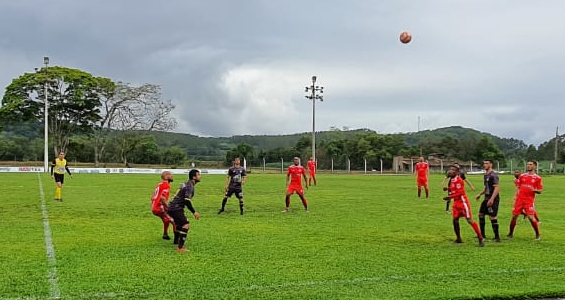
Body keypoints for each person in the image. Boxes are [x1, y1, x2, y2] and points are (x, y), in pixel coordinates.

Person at [443, 165, 485, 247]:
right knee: (455, 220)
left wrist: (449, 197)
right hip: (456, 203)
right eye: (450, 169)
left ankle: (480, 238)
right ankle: (458, 239)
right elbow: (454, 188)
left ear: (457, 172)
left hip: (463, 203)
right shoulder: (452, 180)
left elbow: (460, 193)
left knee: (469, 220)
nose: (450, 171)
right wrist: (448, 189)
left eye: (453, 170)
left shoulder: (459, 180)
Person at [167, 169, 202, 252]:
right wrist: (194, 212)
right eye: (199, 175)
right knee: (186, 225)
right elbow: (187, 201)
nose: (200, 176)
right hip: (176, 207)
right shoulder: (190, 186)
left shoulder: (186, 183)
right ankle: (180, 247)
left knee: (179, 225)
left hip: (171, 207)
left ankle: (176, 242)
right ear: (194, 177)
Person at [508, 161, 543, 240]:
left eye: (530, 164)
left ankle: (537, 235)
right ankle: (510, 234)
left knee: (531, 217)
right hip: (520, 200)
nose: (528, 166)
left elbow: (540, 190)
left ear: (534, 166)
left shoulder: (537, 178)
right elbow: (518, 187)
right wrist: (515, 197)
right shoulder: (522, 176)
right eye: (527, 164)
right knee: (514, 216)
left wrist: (534, 190)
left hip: (529, 200)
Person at [474, 159, 501, 242]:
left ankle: (497, 237)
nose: (484, 165)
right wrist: (480, 194)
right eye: (484, 163)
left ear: (491, 165)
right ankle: (482, 235)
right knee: (481, 214)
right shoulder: (486, 175)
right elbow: (486, 187)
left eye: (486, 163)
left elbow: (497, 188)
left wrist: (492, 199)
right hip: (486, 198)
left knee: (492, 216)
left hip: (493, 199)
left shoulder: (493, 175)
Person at [151, 171, 174, 240]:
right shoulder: (166, 185)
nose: (172, 176)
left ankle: (165, 234)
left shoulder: (159, 184)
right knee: (174, 220)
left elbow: (152, 197)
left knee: (166, 219)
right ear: (166, 176)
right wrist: (167, 207)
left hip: (154, 207)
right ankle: (177, 239)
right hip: (159, 207)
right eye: (170, 175)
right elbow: (162, 198)